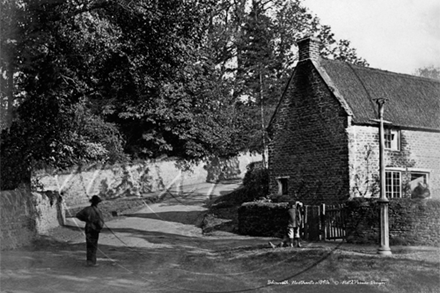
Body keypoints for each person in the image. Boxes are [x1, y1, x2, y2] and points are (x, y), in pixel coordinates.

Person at [76, 195, 105, 267]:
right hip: (94, 229)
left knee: (90, 245)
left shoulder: (88, 209)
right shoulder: (97, 211)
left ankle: (90, 261)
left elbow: (78, 215)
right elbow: (101, 221)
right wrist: (88, 220)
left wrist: (86, 220)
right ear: (96, 203)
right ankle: (92, 262)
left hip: (89, 229)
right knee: (93, 245)